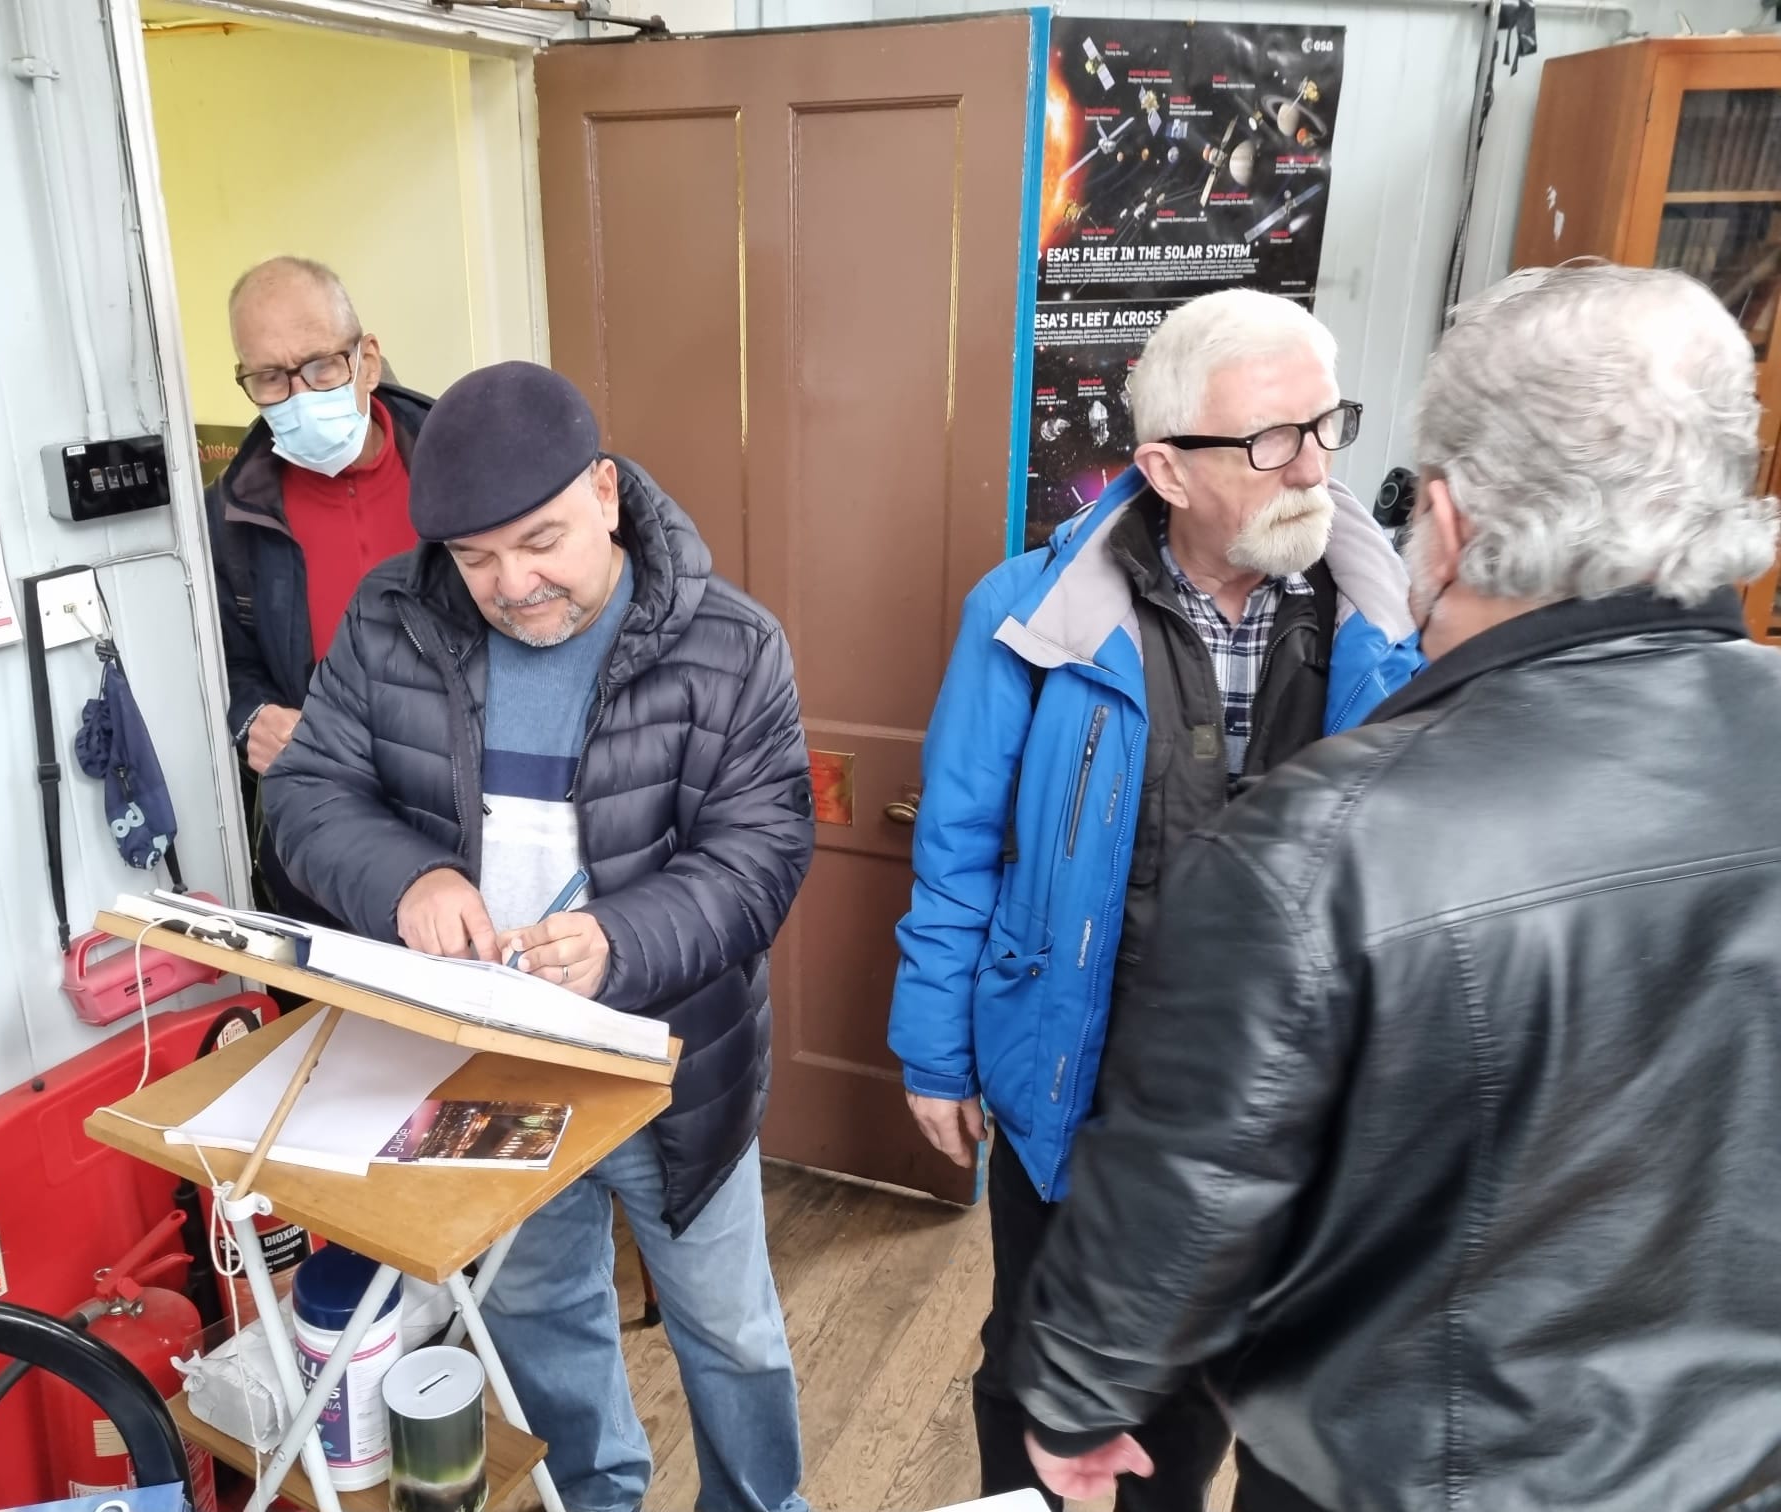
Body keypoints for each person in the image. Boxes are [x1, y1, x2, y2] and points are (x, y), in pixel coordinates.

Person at [1011, 261, 1781, 1512]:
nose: (1312, 469)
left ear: (1451, 519)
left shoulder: (1327, 843)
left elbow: (1195, 1187)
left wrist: (1079, 1397)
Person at [887, 288, 1423, 1512]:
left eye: (1326, 426)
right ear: (1165, 469)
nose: (1315, 468)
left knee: (1214, 1398)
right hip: (1073, 1080)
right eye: (1270, 441)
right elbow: (958, 844)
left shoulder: (1396, 629)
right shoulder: (1027, 615)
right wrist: (933, 1051)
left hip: (1293, 1106)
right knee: (1037, 1368)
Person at [262, 361, 816, 1512]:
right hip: (486, 1070)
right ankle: (598, 1499)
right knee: (537, 1319)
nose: (513, 586)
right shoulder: (391, 619)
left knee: (731, 1331)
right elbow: (307, 793)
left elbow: (760, 854)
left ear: (605, 493)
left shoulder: (732, 645)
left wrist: (618, 939)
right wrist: (408, 877)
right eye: (476, 559)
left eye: (541, 542)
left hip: (671, 1071)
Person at [206, 256, 429, 925]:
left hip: (466, 808)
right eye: (270, 378)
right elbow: (221, 662)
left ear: (367, 360)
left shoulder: (456, 462)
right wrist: (251, 716)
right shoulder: (230, 517)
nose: (299, 395)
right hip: (331, 829)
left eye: (321, 366)